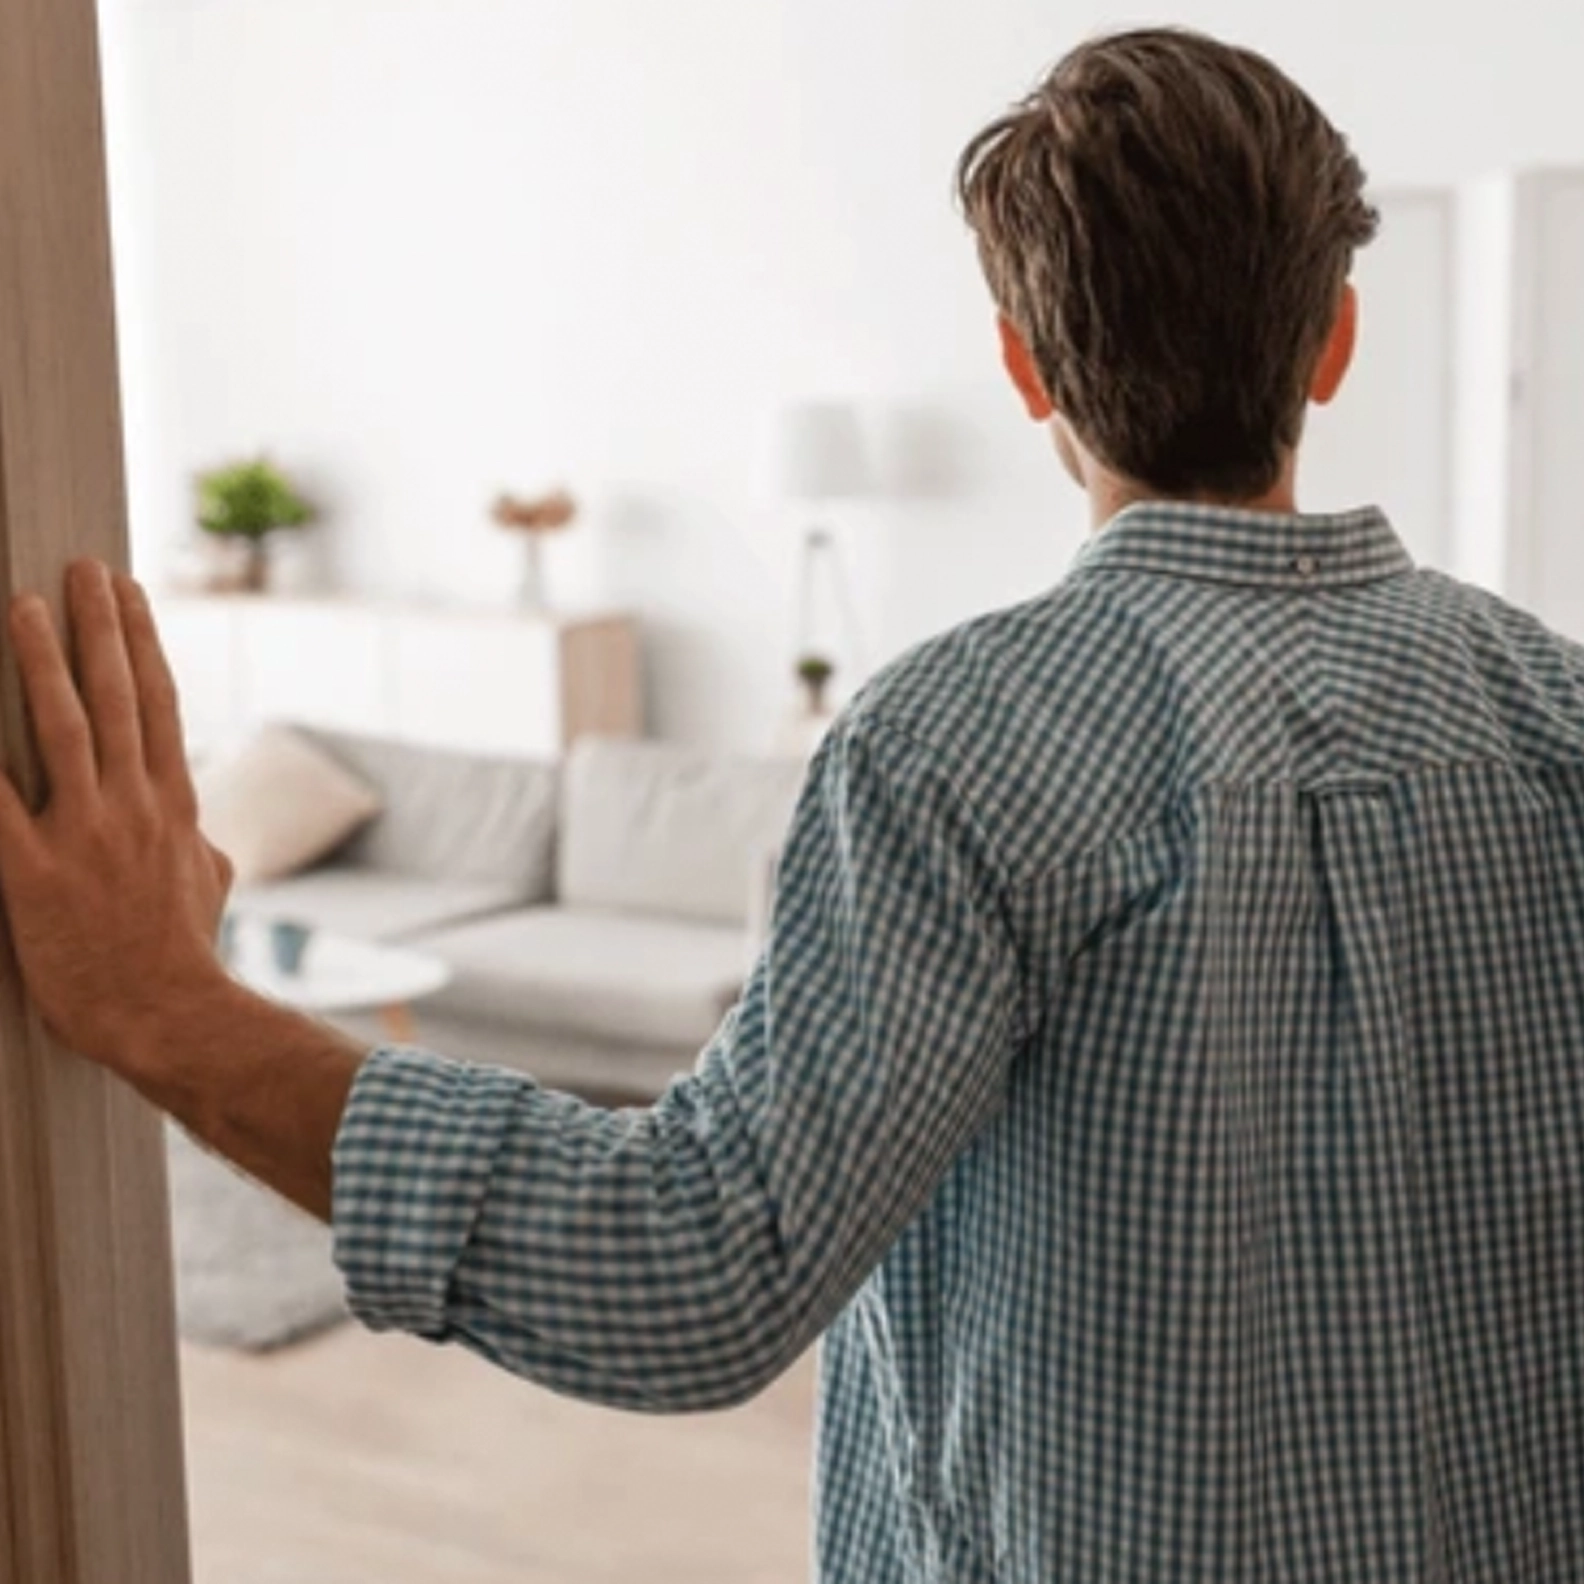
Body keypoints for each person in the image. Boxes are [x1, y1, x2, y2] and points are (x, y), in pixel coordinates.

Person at [1, 26, 1579, 1582]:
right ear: (1334, 342)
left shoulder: (964, 741)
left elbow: (691, 1266)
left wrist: (165, 1004)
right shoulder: (1557, 712)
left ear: (1024, 362)